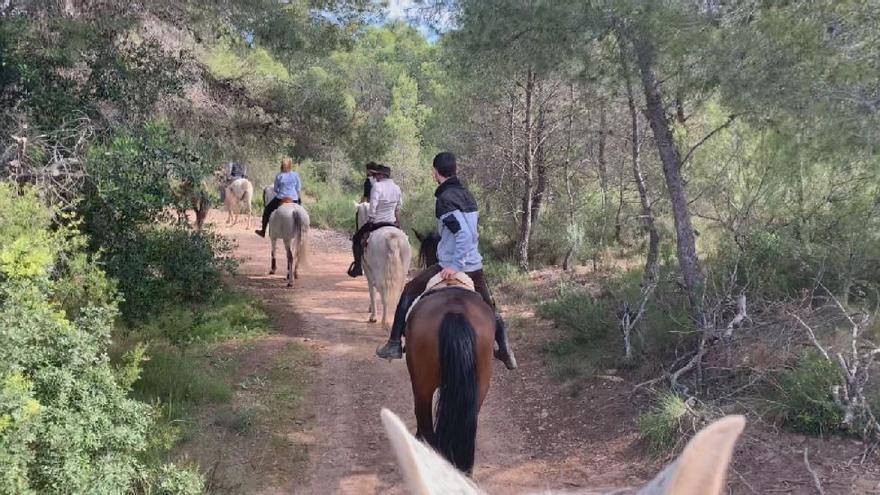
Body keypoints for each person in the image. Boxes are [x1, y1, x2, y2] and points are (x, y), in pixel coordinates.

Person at [375, 152, 517, 370]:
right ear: (455, 170)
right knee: (489, 309)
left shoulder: (445, 199)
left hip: (452, 264)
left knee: (408, 291)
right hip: (475, 266)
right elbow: (467, 232)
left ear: (435, 172)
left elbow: (462, 234)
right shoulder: (467, 194)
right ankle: (505, 349)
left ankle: (394, 343)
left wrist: (454, 265)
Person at [347, 164, 402, 278]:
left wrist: (370, 220)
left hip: (377, 222)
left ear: (382, 175)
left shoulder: (377, 186)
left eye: (376, 174)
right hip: (392, 223)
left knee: (357, 238)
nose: (375, 177)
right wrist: (398, 224)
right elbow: (398, 208)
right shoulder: (397, 188)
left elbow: (373, 207)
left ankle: (357, 267)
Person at [255, 157, 301, 238]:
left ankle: (263, 231)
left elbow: (276, 189)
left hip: (281, 198)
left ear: (282, 165)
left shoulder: (279, 175)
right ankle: (301, 232)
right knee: (300, 212)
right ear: (291, 165)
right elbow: (298, 189)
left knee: (267, 211)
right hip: (294, 199)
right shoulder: (295, 175)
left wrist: (282, 190)